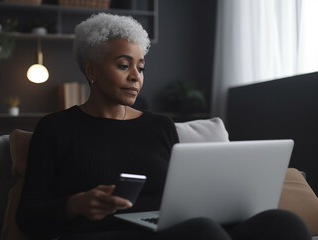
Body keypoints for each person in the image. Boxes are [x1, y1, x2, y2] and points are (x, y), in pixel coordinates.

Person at [16, 13, 311, 240]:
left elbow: (185, 194)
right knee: (202, 232)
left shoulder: (159, 126)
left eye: (140, 67)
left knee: (284, 222)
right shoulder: (56, 128)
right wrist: (74, 205)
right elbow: (28, 219)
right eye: (123, 65)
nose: (136, 76)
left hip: (171, 229)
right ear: (91, 70)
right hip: (103, 233)